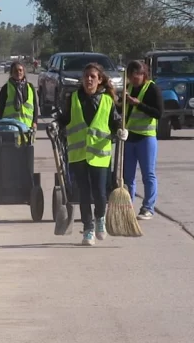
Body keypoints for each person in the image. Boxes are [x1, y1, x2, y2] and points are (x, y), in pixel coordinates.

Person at [54, 63, 127, 246]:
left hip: (100, 155)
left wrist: (120, 130)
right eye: (86, 76)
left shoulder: (107, 101)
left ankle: (100, 218)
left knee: (100, 193)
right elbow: (64, 119)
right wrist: (56, 125)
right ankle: (88, 229)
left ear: (100, 80)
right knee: (84, 194)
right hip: (78, 154)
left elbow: (115, 121)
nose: (89, 80)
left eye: (92, 77)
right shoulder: (73, 98)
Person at [123, 60, 162, 220]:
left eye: (137, 75)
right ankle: (127, 206)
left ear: (143, 74)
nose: (134, 79)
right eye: (131, 76)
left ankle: (148, 207)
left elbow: (159, 113)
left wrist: (139, 104)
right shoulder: (129, 88)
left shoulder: (152, 89)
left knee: (148, 174)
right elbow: (122, 110)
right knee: (128, 176)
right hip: (129, 137)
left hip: (146, 137)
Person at [0, 61, 38, 132]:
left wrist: (35, 122)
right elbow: (0, 108)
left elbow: (35, 106)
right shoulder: (6, 88)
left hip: (27, 127)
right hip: (10, 128)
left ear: (24, 72)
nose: (18, 72)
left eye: (20, 70)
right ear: (11, 73)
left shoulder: (30, 87)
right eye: (15, 71)